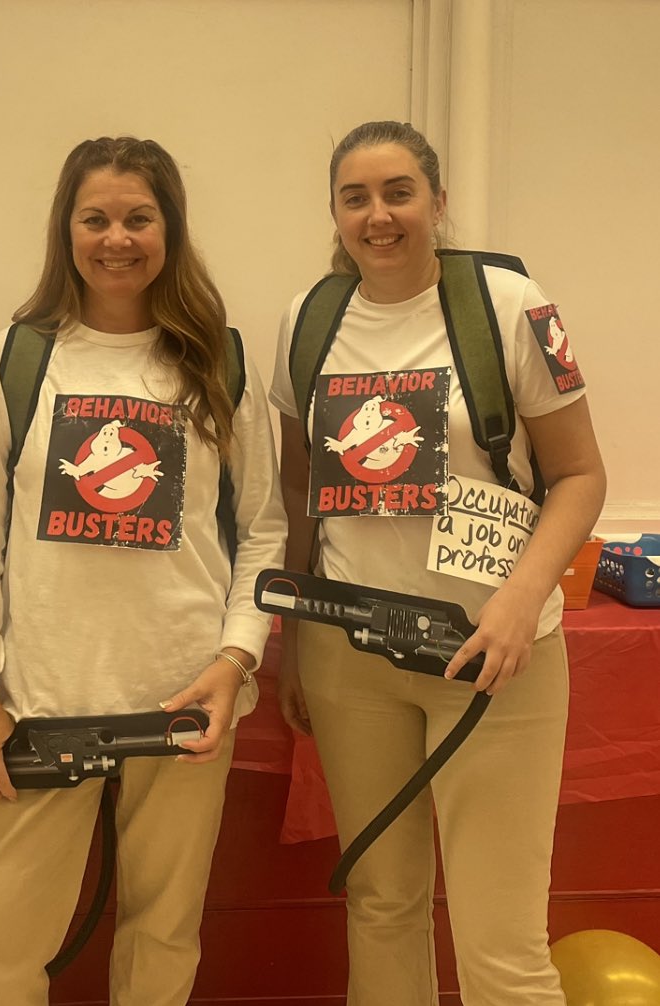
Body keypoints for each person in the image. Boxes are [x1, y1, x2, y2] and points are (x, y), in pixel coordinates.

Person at [268, 120, 605, 1005]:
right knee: (382, 905)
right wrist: (294, 641)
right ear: (335, 214)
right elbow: (299, 490)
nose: (378, 217)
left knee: (501, 940)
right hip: (352, 657)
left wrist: (519, 601)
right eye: (356, 198)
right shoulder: (307, 322)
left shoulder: (505, 305)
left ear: (437, 202)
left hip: (494, 653)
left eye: (398, 193)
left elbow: (579, 474)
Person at [0, 136, 287, 1006]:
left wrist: (234, 660)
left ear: (170, 229)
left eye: (139, 218)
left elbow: (262, 530)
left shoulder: (220, 361)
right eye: (95, 218)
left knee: (164, 934)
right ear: (67, 229)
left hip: (185, 698)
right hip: (41, 697)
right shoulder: (19, 357)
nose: (117, 238)